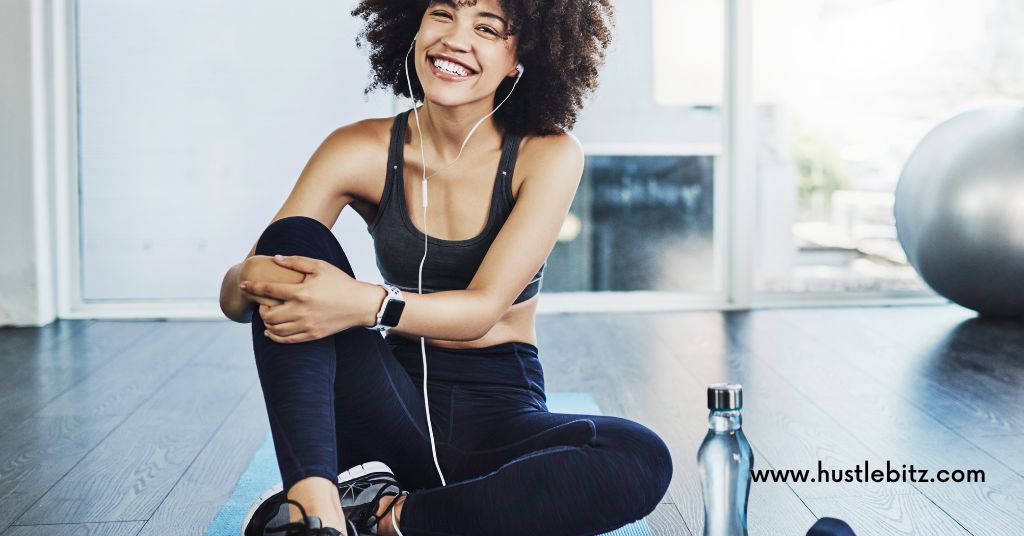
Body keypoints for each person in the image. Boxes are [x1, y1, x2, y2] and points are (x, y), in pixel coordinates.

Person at [218, 1, 673, 534]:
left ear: (520, 56)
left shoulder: (547, 154)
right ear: (413, 27)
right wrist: (260, 281)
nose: (456, 39)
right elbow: (237, 295)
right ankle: (316, 516)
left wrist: (366, 303)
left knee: (638, 456)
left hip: (498, 411)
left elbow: (481, 311)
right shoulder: (357, 148)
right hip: (385, 404)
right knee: (294, 239)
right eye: (442, 14)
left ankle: (388, 517)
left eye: (486, 27)